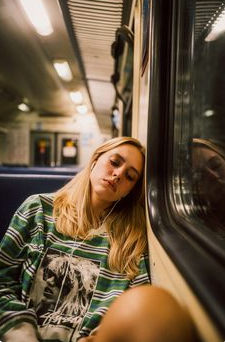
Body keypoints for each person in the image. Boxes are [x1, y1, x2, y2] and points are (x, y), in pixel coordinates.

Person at [0, 136, 195, 342]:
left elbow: (137, 297)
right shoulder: (38, 209)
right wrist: (21, 334)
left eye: (130, 176)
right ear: (95, 160)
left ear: (129, 191)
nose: (118, 174)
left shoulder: (130, 238)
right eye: (115, 162)